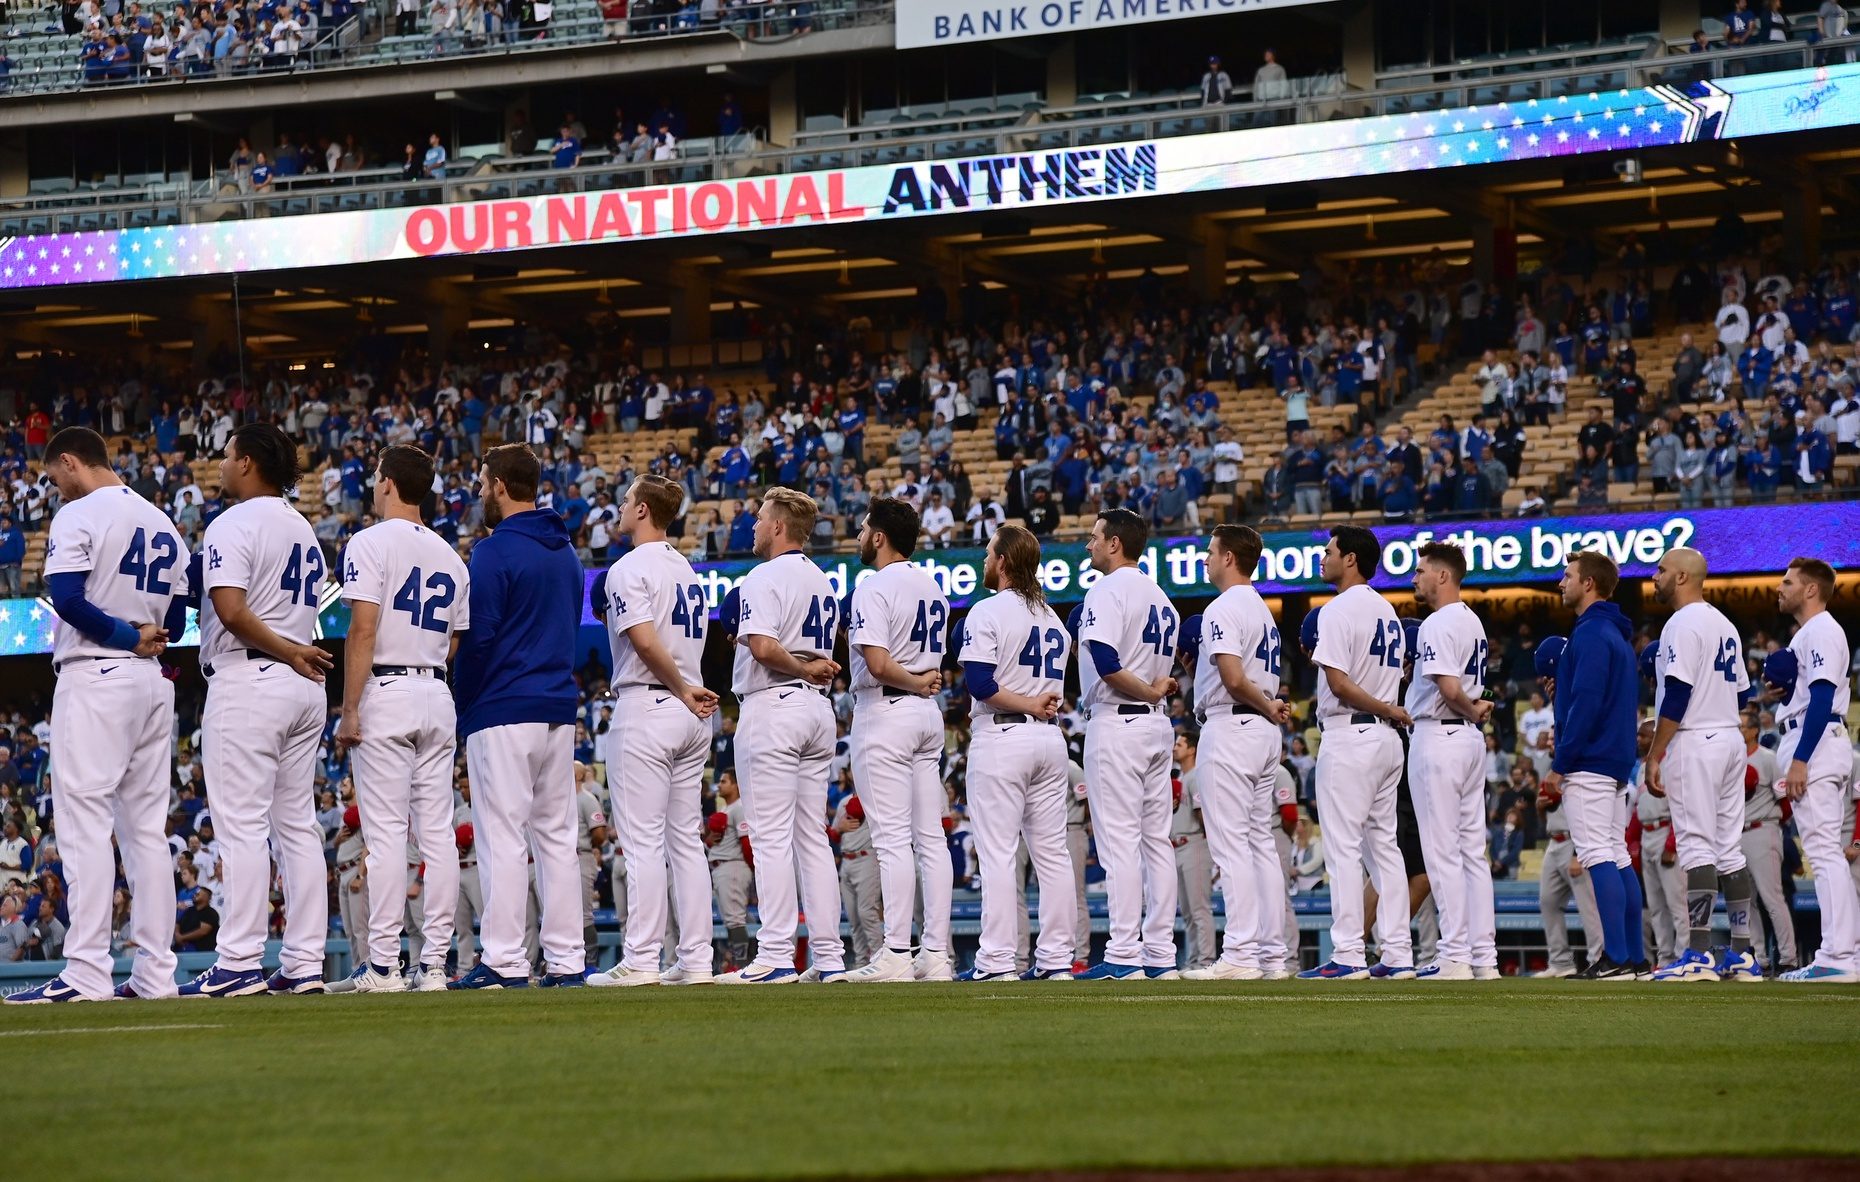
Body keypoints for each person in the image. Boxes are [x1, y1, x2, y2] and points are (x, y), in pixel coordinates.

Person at [4, 429, 188, 1005]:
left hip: (99, 674)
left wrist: (124, 637)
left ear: (70, 461)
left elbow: (67, 598)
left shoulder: (80, 513)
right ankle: (157, 975)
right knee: (146, 836)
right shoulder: (162, 520)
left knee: (85, 829)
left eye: (54, 475)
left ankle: (86, 972)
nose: (55, 487)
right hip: (152, 685)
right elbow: (179, 622)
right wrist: (143, 638)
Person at [179, 423, 333, 999]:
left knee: (242, 826)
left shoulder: (232, 522)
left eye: (226, 455)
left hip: (252, 676)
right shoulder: (303, 527)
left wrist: (286, 649)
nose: (219, 464)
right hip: (300, 683)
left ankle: (239, 962)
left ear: (247, 463)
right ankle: (303, 963)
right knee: (295, 827)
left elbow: (231, 610)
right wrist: (293, 650)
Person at [333, 444, 470, 994]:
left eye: (375, 477)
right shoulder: (451, 555)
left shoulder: (368, 542)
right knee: (436, 834)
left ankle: (385, 965)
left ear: (388, 482)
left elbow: (362, 629)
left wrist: (349, 706)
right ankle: (435, 965)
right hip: (436, 690)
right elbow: (456, 637)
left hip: (386, 688)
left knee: (387, 834)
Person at [450, 443, 587, 990]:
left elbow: (478, 638)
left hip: (504, 706)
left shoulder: (493, 551)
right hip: (557, 704)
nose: (481, 492)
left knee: (502, 836)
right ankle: (568, 960)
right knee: (556, 838)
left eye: (484, 483)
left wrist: (464, 701)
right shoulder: (567, 551)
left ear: (502, 486)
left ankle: (504, 958)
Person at [585, 475, 720, 988]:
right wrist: (687, 690)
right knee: (685, 840)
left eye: (625, 501)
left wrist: (681, 688)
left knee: (642, 841)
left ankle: (640, 959)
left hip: (652, 703)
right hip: (690, 710)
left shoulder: (628, 568)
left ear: (642, 510)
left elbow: (643, 642)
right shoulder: (686, 569)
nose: (619, 507)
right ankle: (696, 960)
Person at [719, 488, 846, 984]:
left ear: (777, 527)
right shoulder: (823, 581)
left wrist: (800, 668)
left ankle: (774, 954)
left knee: (771, 837)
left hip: (775, 704)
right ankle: (830, 957)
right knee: (811, 838)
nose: (753, 526)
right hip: (816, 714)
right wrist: (809, 671)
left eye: (758, 518)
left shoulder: (764, 575)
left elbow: (767, 648)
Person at [956, 524, 1078, 982]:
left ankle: (996, 962)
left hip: (1005, 736)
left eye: (990, 553)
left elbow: (981, 685)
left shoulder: (987, 612)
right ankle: (1055, 961)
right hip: (1048, 740)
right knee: (1053, 855)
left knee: (999, 854)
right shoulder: (1052, 619)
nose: (986, 561)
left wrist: (1025, 702)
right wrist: (1033, 703)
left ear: (1004, 561)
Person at [844, 497, 953, 983]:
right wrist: (920, 684)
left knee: (891, 841)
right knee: (930, 839)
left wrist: (910, 682)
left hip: (886, 710)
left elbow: (878, 663)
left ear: (881, 536)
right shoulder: (934, 586)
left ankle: (894, 953)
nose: (861, 535)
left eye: (867, 528)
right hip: (925, 715)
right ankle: (935, 953)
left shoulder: (873, 587)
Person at [1183, 525, 1295, 982]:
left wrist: (1265, 703)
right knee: (1259, 845)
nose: (1206, 559)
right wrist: (1268, 705)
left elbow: (1231, 677)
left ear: (1229, 557)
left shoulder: (1224, 606)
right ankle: (1270, 954)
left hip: (1234, 724)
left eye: (1211, 552)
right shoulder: (1261, 609)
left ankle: (1241, 954)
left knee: (1231, 847)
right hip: (1262, 731)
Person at [1300, 525, 1413, 980]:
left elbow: (1340, 684)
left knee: (1344, 848)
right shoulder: (1387, 609)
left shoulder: (1337, 610)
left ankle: (1347, 953)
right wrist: (1388, 708)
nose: (1322, 558)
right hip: (1386, 740)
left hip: (1352, 734)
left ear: (1350, 559)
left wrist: (1385, 706)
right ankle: (1399, 952)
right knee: (1385, 847)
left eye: (1329, 551)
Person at [1644, 548, 1759, 982]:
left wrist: (1655, 753)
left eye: (1661, 571)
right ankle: (1743, 953)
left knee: (1696, 845)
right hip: (1729, 736)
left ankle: (1698, 954)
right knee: (1728, 847)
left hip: (1697, 740)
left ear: (1682, 577)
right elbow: (1743, 696)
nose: (1655, 577)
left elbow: (1676, 693)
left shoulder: (1682, 623)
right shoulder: (1724, 623)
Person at [1075, 509, 1180, 980]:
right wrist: (1157, 693)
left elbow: (1106, 662)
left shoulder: (1107, 589)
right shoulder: (1163, 599)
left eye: (1095, 537)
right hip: (1156, 728)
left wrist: (1152, 691)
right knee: (1156, 842)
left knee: (1120, 843)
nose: (1089, 545)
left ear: (1115, 543)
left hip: (1119, 722)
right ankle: (1160, 953)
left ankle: (1123, 953)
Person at [1541, 550, 1645, 980]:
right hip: (1615, 759)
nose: (1561, 583)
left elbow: (1586, 704)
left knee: (1599, 853)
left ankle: (1617, 957)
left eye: (1568, 576)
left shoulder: (1589, 634)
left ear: (1589, 583)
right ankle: (1633, 957)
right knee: (1617, 855)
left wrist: (1560, 763)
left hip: (1589, 760)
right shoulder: (1614, 634)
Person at [1405, 541, 1498, 981]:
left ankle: (1455, 954)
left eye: (1422, 570)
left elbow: (1447, 687)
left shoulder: (1439, 621)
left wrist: (1471, 708)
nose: (1415, 577)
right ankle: (1483, 957)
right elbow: (1476, 688)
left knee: (1442, 852)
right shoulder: (1473, 621)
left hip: (1439, 737)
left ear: (1444, 575)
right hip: (1467, 742)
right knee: (1471, 854)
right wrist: (1478, 709)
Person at [1771, 558, 1857, 982]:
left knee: (1824, 854)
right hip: (1812, 738)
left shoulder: (1822, 628)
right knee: (1825, 853)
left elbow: (1821, 699)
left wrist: (1801, 759)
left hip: (1816, 743)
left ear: (1810, 590)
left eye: (1788, 582)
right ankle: (1844, 953)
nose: (1779, 588)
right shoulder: (1809, 633)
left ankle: (1838, 955)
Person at [1738, 714, 1796, 973]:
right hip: (1736, 834)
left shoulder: (1767, 758)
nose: (1737, 730)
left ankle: (1787, 959)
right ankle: (1757, 958)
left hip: (1763, 829)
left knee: (1772, 898)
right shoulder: (1731, 760)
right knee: (1744, 901)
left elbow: (1785, 803)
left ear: (1753, 731)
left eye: (1740, 726)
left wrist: (1773, 827)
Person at [1169, 731, 1214, 971]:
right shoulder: (1182, 777)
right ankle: (1195, 959)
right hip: (1178, 845)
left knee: (1199, 908)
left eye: (1180, 744)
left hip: (1195, 842)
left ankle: (1205, 960)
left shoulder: (1196, 776)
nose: (1175, 747)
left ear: (1192, 749)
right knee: (1187, 911)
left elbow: (1203, 814)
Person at [705, 771, 753, 970]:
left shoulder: (740, 807)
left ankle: (740, 965)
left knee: (735, 919)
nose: (719, 784)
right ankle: (742, 962)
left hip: (733, 866)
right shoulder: (727, 809)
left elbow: (747, 843)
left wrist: (753, 870)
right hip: (721, 867)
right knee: (733, 919)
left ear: (736, 785)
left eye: (724, 781)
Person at [833, 794, 881, 970]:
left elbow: (857, 808)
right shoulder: (842, 800)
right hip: (846, 861)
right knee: (853, 918)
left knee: (867, 913)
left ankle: (878, 958)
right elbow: (834, 833)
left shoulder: (873, 796)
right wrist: (839, 829)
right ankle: (861, 962)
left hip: (866, 857)